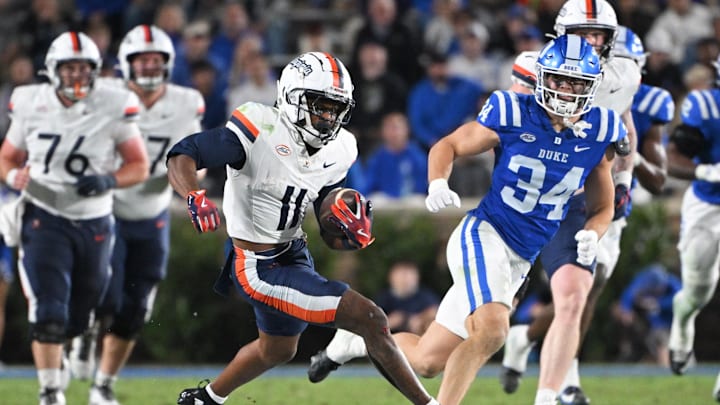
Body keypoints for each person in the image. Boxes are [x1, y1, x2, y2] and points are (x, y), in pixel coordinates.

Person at [309, 34, 624, 405]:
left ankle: (358, 341)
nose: (566, 91)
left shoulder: (601, 130)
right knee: (493, 330)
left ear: (591, 87)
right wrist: (437, 180)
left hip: (521, 258)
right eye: (559, 80)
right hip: (486, 234)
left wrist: (593, 231)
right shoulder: (512, 111)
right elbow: (449, 145)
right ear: (542, 78)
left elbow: (604, 205)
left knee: (428, 360)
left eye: (576, 83)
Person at [166, 51, 439, 405]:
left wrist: (341, 217)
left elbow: (323, 201)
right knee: (370, 318)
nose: (328, 117)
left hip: (294, 253)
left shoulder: (341, 147)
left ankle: (205, 399)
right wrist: (194, 196)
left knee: (277, 349)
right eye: (320, 106)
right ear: (292, 97)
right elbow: (184, 153)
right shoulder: (259, 127)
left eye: (335, 108)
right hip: (256, 265)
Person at [499, 4, 646, 403]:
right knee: (496, 309)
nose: (592, 42)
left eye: (600, 35)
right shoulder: (534, 67)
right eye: (584, 33)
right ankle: (530, 348)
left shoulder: (622, 74)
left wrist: (625, 181)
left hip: (587, 195)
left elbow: (625, 131)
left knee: (585, 288)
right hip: (533, 197)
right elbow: (508, 135)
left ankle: (561, 379)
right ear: (561, 32)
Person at [0, 31, 149, 405]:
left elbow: (139, 166)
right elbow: (6, 157)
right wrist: (11, 175)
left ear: (96, 70)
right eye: (70, 68)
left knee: (81, 314)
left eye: (84, 68)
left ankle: (78, 339)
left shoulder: (114, 103)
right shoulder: (30, 103)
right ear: (53, 70)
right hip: (43, 214)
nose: (78, 76)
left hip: (95, 220)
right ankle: (51, 391)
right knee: (48, 311)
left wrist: (108, 180)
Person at [66, 25, 205, 405]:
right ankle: (84, 332)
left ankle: (103, 385)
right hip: (108, 209)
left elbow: (197, 159)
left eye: (155, 59)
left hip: (152, 213)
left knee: (136, 307)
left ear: (168, 63)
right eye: (141, 59)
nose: (148, 65)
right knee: (105, 294)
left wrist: (189, 182)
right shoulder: (105, 96)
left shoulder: (185, 102)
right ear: (126, 63)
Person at [665, 50, 720, 389]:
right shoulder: (705, 106)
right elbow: (672, 157)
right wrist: (705, 170)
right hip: (708, 204)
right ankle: (683, 321)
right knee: (697, 292)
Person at [611, 263, 680, 365]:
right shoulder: (643, 280)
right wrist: (626, 310)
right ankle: (628, 348)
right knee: (618, 309)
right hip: (648, 319)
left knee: (662, 341)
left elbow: (679, 301)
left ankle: (663, 362)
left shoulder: (673, 285)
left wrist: (658, 304)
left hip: (669, 320)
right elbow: (629, 294)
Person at [374, 260, 439, 334]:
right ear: (391, 278)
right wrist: (390, 324)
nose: (405, 280)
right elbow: (375, 328)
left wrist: (419, 318)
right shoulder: (383, 299)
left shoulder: (425, 296)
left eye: (408, 275)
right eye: (401, 276)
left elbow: (435, 311)